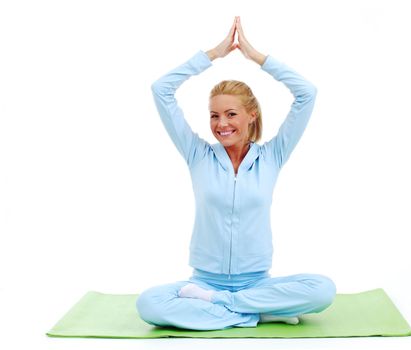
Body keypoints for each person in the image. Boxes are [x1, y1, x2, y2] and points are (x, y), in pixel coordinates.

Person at [136, 16, 336, 331]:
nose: (221, 124)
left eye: (231, 114)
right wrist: (212, 54)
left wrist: (257, 58)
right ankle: (259, 313)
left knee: (323, 289)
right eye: (214, 115)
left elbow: (307, 93)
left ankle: (221, 306)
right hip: (203, 281)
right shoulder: (197, 154)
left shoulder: (272, 155)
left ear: (251, 116)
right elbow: (161, 89)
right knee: (148, 304)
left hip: (255, 283)